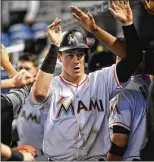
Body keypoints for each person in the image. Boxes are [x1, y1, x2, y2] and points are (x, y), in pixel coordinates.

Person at [30, 0, 143, 160]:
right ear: (60, 57)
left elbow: (133, 59)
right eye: (70, 55)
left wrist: (127, 25)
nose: (76, 60)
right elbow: (39, 93)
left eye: (80, 54)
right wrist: (54, 47)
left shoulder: (101, 80)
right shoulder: (52, 85)